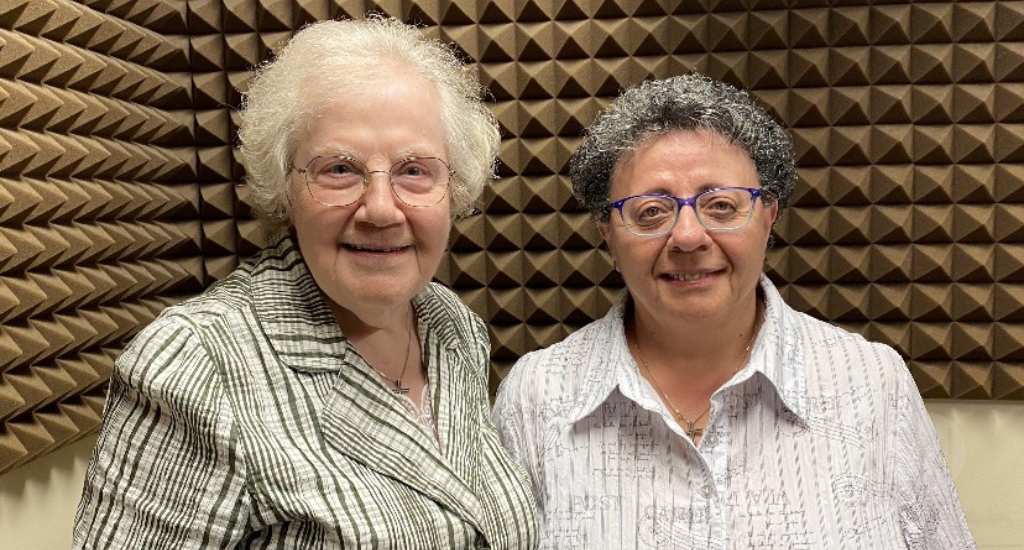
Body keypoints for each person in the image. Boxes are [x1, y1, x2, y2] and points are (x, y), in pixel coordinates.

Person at [73, 17, 537, 549]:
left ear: (454, 187)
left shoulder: (451, 325)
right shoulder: (195, 364)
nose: (382, 209)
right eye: (339, 169)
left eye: (415, 170)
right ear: (286, 190)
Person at [491, 74, 975, 549]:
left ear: (768, 217)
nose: (687, 237)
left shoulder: (872, 382)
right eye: (651, 212)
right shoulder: (537, 397)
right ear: (608, 236)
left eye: (721, 205)